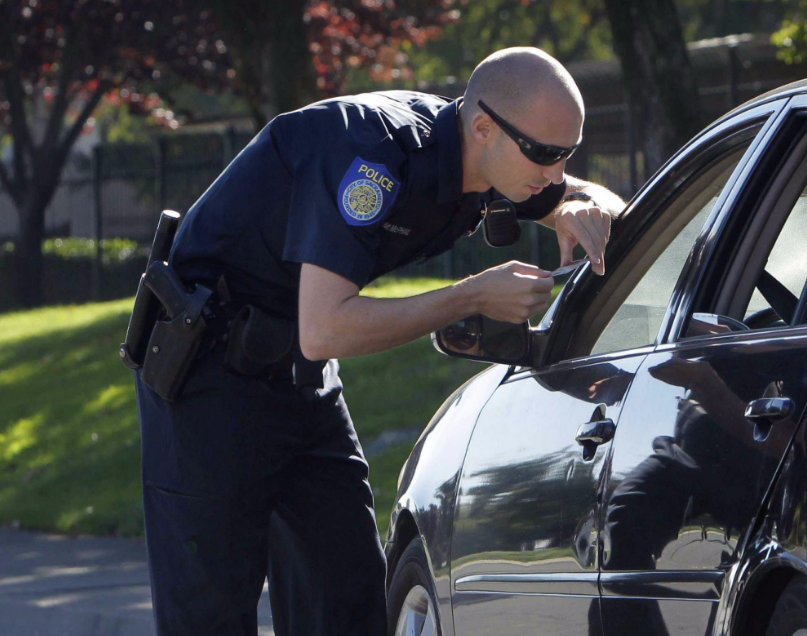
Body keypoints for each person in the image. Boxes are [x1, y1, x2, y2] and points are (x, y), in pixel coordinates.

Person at [133, 46, 625, 635]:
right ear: (483, 127)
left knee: (348, 602)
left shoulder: (495, 155)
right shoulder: (373, 155)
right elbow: (327, 328)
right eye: (546, 155)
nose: (554, 172)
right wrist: (471, 296)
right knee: (208, 616)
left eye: (566, 153)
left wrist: (585, 206)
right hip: (207, 377)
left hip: (297, 377)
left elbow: (592, 197)